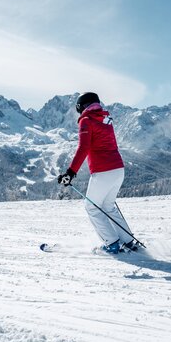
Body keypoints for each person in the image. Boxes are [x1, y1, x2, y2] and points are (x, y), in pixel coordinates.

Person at [57, 92, 138, 254]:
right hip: (118, 170)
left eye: (79, 108)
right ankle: (128, 241)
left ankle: (112, 243)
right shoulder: (106, 120)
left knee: (92, 207)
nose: (79, 112)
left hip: (103, 171)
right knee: (108, 206)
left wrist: (70, 172)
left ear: (83, 106)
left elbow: (83, 148)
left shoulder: (87, 121)